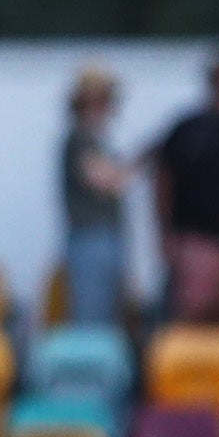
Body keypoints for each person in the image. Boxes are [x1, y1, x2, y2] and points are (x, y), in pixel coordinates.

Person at [148, 49, 219, 327]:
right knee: (192, 314)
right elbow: (162, 179)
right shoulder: (188, 128)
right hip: (193, 237)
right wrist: (165, 232)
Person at [57, 69, 133, 333]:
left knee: (108, 320)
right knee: (91, 321)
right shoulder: (79, 138)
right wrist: (134, 166)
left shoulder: (95, 141)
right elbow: (104, 180)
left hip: (103, 237)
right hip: (90, 239)